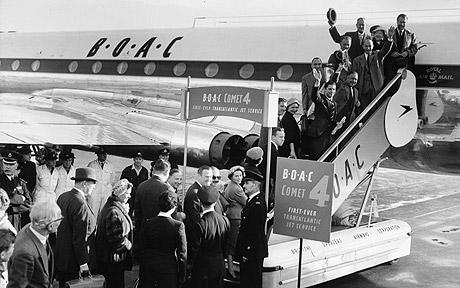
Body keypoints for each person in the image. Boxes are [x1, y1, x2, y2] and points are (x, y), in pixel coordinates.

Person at [55, 167, 97, 287]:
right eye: (92, 186)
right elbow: (79, 238)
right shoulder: (80, 203)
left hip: (62, 257)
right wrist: (83, 264)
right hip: (74, 261)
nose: (93, 189)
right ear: (84, 184)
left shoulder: (63, 197)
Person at [7, 201, 62, 288]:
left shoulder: (33, 227)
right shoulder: (25, 253)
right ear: (50, 226)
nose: (61, 221)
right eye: (59, 219)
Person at [138, 191, 186, 288]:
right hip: (168, 268)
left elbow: (142, 248)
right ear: (174, 207)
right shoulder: (178, 226)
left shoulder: (148, 223)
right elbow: (182, 253)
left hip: (149, 267)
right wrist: (182, 274)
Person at [96, 179, 134, 288]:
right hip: (112, 262)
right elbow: (117, 240)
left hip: (111, 261)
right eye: (127, 194)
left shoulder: (113, 207)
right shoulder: (114, 211)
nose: (129, 196)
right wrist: (130, 246)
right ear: (120, 194)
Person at [189, 186, 229, 288]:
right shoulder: (224, 220)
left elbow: (195, 247)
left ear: (200, 202)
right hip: (219, 265)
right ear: (215, 202)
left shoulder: (200, 223)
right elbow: (226, 246)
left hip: (203, 267)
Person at [235, 170, 268, 288]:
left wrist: (247, 252)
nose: (243, 186)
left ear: (254, 184)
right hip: (251, 250)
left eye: (246, 183)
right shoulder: (253, 200)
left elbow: (255, 232)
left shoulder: (257, 204)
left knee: (251, 281)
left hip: (252, 251)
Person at [352, 28, 395, 111]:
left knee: (376, 110)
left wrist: (389, 38)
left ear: (373, 46)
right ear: (363, 46)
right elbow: (355, 76)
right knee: (364, 111)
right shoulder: (357, 60)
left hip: (376, 88)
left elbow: (385, 50)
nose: (368, 48)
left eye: (370, 46)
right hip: (363, 89)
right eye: (366, 46)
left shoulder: (378, 55)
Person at [134, 159, 173, 239]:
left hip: (144, 232)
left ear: (153, 170)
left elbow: (137, 214)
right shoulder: (168, 189)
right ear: (166, 172)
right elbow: (172, 215)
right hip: (161, 233)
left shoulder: (141, 186)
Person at [306, 71, 339, 160]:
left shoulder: (335, 104)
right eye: (330, 89)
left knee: (326, 158)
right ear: (325, 89)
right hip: (318, 134)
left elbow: (332, 119)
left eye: (333, 89)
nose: (332, 91)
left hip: (328, 136)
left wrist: (337, 125)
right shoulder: (321, 99)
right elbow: (314, 96)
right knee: (316, 157)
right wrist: (317, 82)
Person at [223, 165, 246, 279]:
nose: (239, 178)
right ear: (231, 177)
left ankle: (231, 267)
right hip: (236, 217)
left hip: (232, 215)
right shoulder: (236, 188)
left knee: (231, 242)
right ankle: (231, 269)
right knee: (232, 243)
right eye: (236, 176)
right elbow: (246, 202)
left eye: (240, 175)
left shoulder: (230, 186)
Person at [0, 152, 32, 232]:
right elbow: (7, 198)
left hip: (18, 219)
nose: (8, 167)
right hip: (4, 219)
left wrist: (15, 205)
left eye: (11, 164)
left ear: (17, 165)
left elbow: (29, 202)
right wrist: (21, 198)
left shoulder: (19, 182)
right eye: (5, 164)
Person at [259, 127, 284, 206]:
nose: (283, 139)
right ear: (273, 137)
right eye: (280, 137)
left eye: (284, 137)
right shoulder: (271, 150)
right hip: (266, 181)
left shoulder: (268, 147)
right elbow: (273, 168)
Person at [87, 147, 115, 217]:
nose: (104, 156)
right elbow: (88, 178)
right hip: (95, 192)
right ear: (98, 155)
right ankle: (93, 227)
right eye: (102, 154)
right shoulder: (91, 165)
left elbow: (112, 179)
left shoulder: (110, 166)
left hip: (106, 192)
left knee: (104, 212)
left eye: (105, 154)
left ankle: (101, 227)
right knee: (93, 212)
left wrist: (108, 187)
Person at [120, 152, 149, 217]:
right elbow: (122, 183)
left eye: (139, 159)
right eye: (136, 159)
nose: (138, 161)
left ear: (142, 160)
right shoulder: (127, 170)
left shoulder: (145, 171)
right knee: (127, 213)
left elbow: (146, 184)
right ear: (133, 159)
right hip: (129, 196)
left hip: (140, 196)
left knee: (139, 214)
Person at [333, 72, 360, 136]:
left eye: (356, 79)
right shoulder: (341, 87)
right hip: (338, 121)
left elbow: (355, 104)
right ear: (347, 78)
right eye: (352, 78)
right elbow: (334, 81)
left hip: (350, 122)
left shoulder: (356, 91)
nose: (354, 81)